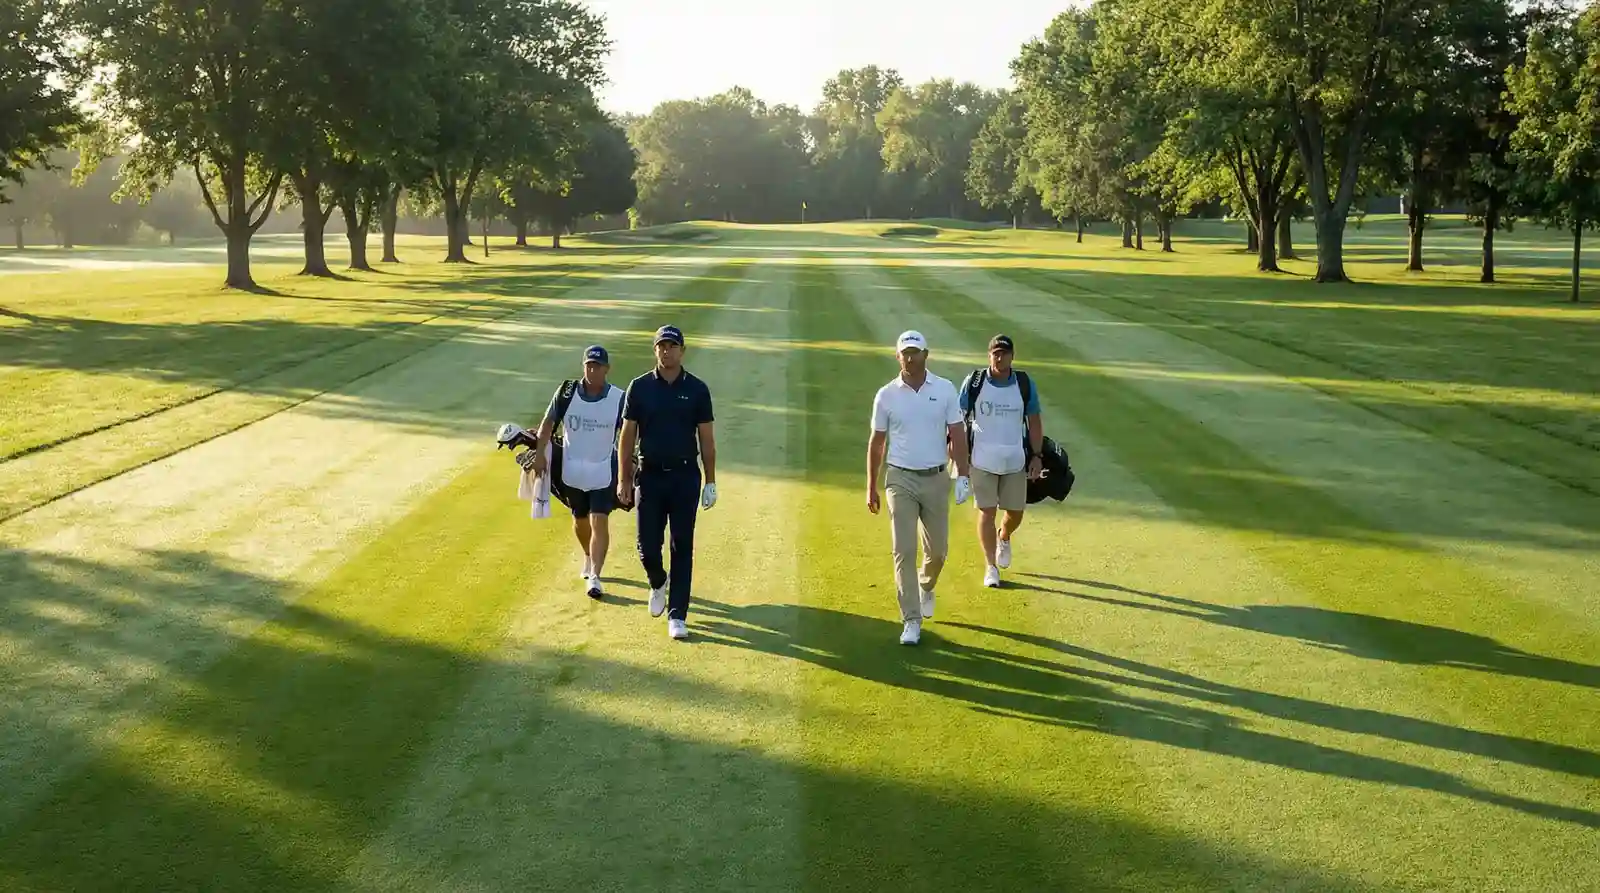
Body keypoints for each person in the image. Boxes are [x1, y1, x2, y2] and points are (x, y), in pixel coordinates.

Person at [867, 330, 971, 646]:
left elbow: (958, 433)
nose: (910, 357)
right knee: (903, 550)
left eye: (915, 352)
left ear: (926, 354)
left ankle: (926, 585)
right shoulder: (886, 394)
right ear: (898, 357)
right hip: (900, 479)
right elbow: (877, 443)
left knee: (938, 551)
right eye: (905, 353)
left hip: (936, 476)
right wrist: (871, 485)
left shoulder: (945, 389)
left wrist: (963, 475)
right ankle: (911, 619)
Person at [617, 325, 717, 640]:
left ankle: (678, 615)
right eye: (661, 346)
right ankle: (658, 581)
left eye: (672, 346)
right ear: (655, 350)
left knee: (682, 546)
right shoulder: (639, 387)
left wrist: (710, 481)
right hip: (649, 475)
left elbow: (707, 439)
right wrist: (622, 477)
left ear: (682, 351)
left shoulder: (698, 390)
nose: (666, 351)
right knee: (647, 547)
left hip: (686, 475)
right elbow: (627, 436)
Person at [520, 345, 625, 599]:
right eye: (588, 365)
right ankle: (588, 556)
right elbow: (548, 424)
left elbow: (630, 431)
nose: (592, 369)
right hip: (572, 470)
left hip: (603, 468)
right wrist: (541, 457)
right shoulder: (567, 393)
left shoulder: (619, 398)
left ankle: (596, 577)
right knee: (579, 520)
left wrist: (629, 466)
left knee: (599, 519)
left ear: (607, 369)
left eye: (597, 366)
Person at [958, 334, 1044, 589]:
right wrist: (959, 457)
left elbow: (1035, 421)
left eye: (1004, 353)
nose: (999, 357)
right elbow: (958, 418)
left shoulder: (1024, 384)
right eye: (995, 352)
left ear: (1012, 356)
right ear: (989, 355)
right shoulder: (974, 383)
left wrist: (1037, 456)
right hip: (981, 459)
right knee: (986, 511)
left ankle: (1004, 536)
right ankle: (991, 566)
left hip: (1015, 460)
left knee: (1016, 512)